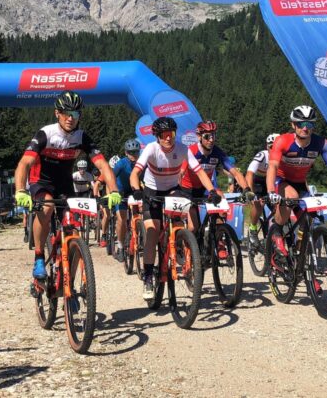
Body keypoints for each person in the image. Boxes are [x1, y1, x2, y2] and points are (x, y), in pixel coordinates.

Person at [14, 91, 121, 280]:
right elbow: (24, 163)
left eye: (75, 113)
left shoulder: (81, 137)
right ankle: (39, 257)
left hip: (64, 186)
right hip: (41, 183)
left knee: (75, 233)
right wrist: (20, 190)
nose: (70, 118)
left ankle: (68, 282)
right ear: (57, 113)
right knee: (46, 207)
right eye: (66, 113)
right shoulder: (46, 134)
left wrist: (114, 191)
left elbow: (103, 165)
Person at [130, 117, 221, 300]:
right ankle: (148, 276)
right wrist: (136, 189)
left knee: (180, 221)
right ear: (157, 136)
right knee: (153, 231)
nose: (168, 138)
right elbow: (135, 173)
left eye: (171, 134)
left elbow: (199, 171)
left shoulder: (182, 148)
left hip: (172, 189)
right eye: (164, 134)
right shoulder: (151, 149)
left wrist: (212, 190)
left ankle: (179, 242)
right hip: (151, 191)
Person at [267, 106, 327, 262]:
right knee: (291, 196)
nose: (305, 128)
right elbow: (273, 167)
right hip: (281, 180)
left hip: (300, 183)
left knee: (310, 218)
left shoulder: (321, 143)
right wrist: (271, 192)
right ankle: (277, 231)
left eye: (309, 124)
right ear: (293, 125)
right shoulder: (282, 141)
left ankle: (299, 255)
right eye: (300, 124)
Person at [178, 119, 253, 237]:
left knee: (221, 201)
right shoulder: (191, 151)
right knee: (193, 228)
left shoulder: (217, 152)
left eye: (213, 135)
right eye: (207, 136)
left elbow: (235, 173)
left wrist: (247, 190)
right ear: (199, 137)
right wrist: (177, 191)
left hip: (205, 188)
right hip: (188, 190)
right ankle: (188, 245)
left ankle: (218, 236)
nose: (211, 140)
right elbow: (180, 173)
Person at [245, 133, 280, 246]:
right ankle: (253, 228)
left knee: (280, 205)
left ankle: (275, 230)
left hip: (271, 181)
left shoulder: (284, 157)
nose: (273, 149)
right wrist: (250, 192)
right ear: (267, 147)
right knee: (258, 204)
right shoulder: (262, 155)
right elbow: (250, 173)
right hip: (257, 181)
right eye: (271, 146)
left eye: (276, 147)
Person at [111, 139, 140, 261]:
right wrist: (113, 192)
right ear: (126, 153)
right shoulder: (121, 163)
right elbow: (111, 176)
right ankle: (120, 246)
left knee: (140, 214)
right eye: (130, 152)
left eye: (136, 152)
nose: (133, 155)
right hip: (120, 192)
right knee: (121, 219)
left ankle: (139, 234)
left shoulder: (141, 163)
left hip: (134, 191)